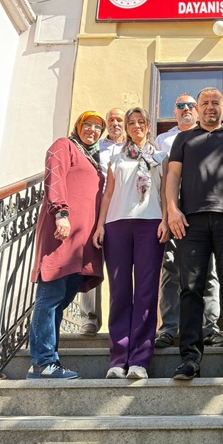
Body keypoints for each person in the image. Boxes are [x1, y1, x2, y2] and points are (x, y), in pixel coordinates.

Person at [167, 87, 223, 380]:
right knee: (190, 289)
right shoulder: (184, 139)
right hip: (190, 223)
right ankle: (190, 358)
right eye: (204, 102)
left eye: (215, 102)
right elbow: (172, 175)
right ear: (197, 108)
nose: (209, 107)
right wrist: (172, 210)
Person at [27, 111, 105, 379]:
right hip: (62, 232)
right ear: (77, 127)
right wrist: (61, 213)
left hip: (82, 242)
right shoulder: (65, 145)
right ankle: (43, 362)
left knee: (63, 298)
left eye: (98, 127)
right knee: (50, 295)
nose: (92, 130)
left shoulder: (92, 159)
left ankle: (49, 359)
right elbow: (55, 177)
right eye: (88, 125)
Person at [93, 107, 169, 380]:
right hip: (117, 226)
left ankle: (139, 360)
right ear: (126, 128)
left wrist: (166, 220)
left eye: (140, 122)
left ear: (148, 126)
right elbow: (108, 193)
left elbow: (165, 192)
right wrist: (100, 225)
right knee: (120, 292)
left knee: (147, 293)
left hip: (151, 223)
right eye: (131, 123)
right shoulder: (116, 157)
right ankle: (118, 359)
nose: (136, 126)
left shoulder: (160, 157)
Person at [154, 94, 222, 349]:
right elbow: (162, 180)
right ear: (174, 112)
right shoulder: (163, 140)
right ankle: (169, 327)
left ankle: (210, 326)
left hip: (202, 210)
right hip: (173, 209)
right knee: (171, 269)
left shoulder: (208, 135)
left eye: (191, 105)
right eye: (180, 105)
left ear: (198, 111)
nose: (186, 109)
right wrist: (166, 214)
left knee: (208, 270)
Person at [80, 107, 126, 337]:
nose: (115, 123)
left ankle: (122, 319)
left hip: (123, 211)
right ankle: (89, 319)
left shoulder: (132, 147)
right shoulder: (96, 147)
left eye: (119, 119)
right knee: (91, 263)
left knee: (121, 269)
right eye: (111, 120)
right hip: (95, 209)